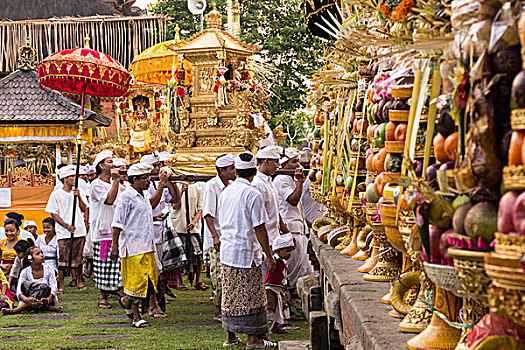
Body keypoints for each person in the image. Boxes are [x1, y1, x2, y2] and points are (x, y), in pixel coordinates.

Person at [219, 152, 277, 348]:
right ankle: (253, 339)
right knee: (251, 296)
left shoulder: (226, 191)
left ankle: (230, 337)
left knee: (230, 295)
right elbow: (259, 227)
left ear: (236, 171)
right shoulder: (253, 193)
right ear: (253, 172)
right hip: (245, 253)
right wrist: (268, 254)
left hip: (228, 251)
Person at [110, 163, 171, 328]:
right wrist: (114, 247)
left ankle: (126, 302)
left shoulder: (143, 195)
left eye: (148, 177)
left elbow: (151, 204)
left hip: (147, 246)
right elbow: (117, 224)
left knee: (151, 281)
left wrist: (161, 184)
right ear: (134, 179)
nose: (148, 181)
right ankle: (136, 318)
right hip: (133, 247)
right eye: (144, 178)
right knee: (136, 283)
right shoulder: (125, 197)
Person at [140, 153, 180, 312]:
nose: (159, 168)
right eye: (156, 166)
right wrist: (162, 183)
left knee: (161, 268)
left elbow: (176, 199)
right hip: (149, 233)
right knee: (153, 269)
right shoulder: (145, 185)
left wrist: (170, 181)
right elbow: (152, 203)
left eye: (159, 165)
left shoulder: (159, 182)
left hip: (162, 230)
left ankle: (158, 299)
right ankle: (152, 304)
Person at [89, 151, 128, 310]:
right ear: (101, 166)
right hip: (103, 230)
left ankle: (120, 292)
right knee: (104, 263)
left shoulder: (119, 185)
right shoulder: (95, 184)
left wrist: (120, 182)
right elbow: (109, 200)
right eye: (110, 162)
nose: (113, 165)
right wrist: (116, 181)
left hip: (118, 228)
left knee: (117, 265)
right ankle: (104, 296)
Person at [202, 153, 236, 322]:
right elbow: (208, 214)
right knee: (217, 274)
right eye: (231, 168)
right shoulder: (211, 186)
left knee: (228, 273)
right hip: (217, 237)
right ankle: (217, 310)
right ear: (221, 170)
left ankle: (227, 307)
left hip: (229, 236)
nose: (234, 171)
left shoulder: (231, 185)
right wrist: (215, 236)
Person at [45, 164, 89, 293]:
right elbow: (53, 213)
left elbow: (83, 208)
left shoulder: (78, 191)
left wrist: (79, 196)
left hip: (79, 229)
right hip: (64, 232)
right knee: (63, 258)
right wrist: (66, 226)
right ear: (65, 178)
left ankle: (79, 281)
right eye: (71, 177)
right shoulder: (56, 194)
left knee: (79, 257)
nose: (74, 179)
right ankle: (61, 285)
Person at [273, 148, 313, 290]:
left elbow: (298, 210)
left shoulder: (291, 179)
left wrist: (310, 224)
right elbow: (293, 201)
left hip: (299, 228)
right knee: (294, 268)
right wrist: (300, 182)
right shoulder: (281, 179)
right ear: (285, 165)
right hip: (291, 229)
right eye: (293, 162)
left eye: (298, 161)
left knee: (303, 268)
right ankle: (292, 294)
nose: (297, 165)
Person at [1, 246, 63, 315]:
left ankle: (15, 310)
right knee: (25, 284)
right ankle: (48, 308)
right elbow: (19, 290)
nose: (41, 255)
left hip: (46, 299)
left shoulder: (49, 269)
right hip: (28, 300)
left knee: (43, 287)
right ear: (30, 259)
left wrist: (48, 298)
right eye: (38, 254)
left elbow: (54, 287)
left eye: (41, 253)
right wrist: (26, 299)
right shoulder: (25, 271)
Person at [252, 146, 290, 249]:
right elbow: (258, 218)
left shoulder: (269, 182)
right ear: (267, 161)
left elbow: (275, 210)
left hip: (274, 238)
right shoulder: (257, 184)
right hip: (265, 242)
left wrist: (286, 232)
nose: (278, 166)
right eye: (276, 162)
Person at [171, 182, 206, 291]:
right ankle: (180, 281)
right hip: (179, 224)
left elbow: (200, 208)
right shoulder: (176, 186)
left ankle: (198, 280)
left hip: (192, 226)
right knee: (181, 255)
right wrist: (180, 191)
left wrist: (194, 222)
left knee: (198, 253)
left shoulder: (197, 188)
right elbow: (174, 206)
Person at [265, 234, 294, 335]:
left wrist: (285, 289)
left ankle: (275, 327)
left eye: (290, 251)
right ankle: (264, 328)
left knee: (281, 308)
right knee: (271, 308)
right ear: (278, 251)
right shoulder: (274, 261)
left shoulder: (283, 262)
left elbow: (283, 277)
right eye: (287, 251)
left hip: (279, 288)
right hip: (271, 288)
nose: (289, 253)